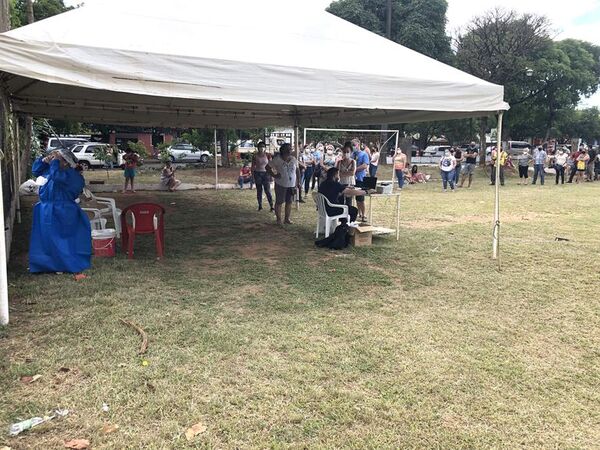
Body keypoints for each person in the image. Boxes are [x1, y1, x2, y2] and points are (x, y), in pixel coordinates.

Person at [29, 149, 91, 273]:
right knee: (45, 239)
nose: (53, 160)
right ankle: (46, 264)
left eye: (57, 159)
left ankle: (63, 265)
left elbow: (57, 178)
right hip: (46, 209)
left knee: (61, 239)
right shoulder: (52, 170)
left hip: (64, 210)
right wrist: (43, 161)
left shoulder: (73, 176)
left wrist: (54, 163)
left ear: (66, 162)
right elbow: (35, 171)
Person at [266, 143, 300, 225]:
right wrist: (274, 175)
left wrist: (298, 182)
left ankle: (287, 219)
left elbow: (297, 170)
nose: (290, 150)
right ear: (283, 150)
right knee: (279, 202)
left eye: (290, 149)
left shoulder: (293, 159)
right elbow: (267, 167)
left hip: (291, 185)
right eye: (288, 149)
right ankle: (278, 220)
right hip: (281, 184)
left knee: (289, 202)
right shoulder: (277, 159)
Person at [251, 142, 274, 211]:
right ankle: (260, 206)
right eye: (260, 147)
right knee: (259, 191)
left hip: (266, 174)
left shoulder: (268, 155)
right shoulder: (255, 156)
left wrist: (272, 175)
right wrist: (252, 175)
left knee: (268, 191)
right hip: (257, 173)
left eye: (263, 146)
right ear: (258, 148)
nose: (261, 148)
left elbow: (271, 165)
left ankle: (271, 206)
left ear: (265, 148)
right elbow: (253, 166)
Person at [353, 141, 370, 221]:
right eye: (352, 145)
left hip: (360, 178)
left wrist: (354, 169)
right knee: (357, 198)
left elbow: (364, 165)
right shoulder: (353, 154)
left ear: (358, 145)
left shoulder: (364, 154)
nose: (353, 147)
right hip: (353, 179)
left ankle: (363, 215)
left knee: (361, 197)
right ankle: (359, 213)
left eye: (354, 145)